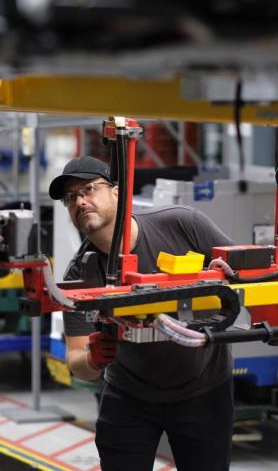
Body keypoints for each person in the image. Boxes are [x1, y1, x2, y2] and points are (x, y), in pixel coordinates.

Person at [48, 155, 234, 471]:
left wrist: (226, 274)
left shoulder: (181, 224)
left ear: (117, 193)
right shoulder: (80, 277)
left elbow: (246, 270)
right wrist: (92, 358)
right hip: (129, 395)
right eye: (71, 197)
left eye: (89, 189)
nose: (80, 201)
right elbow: (76, 361)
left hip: (203, 388)